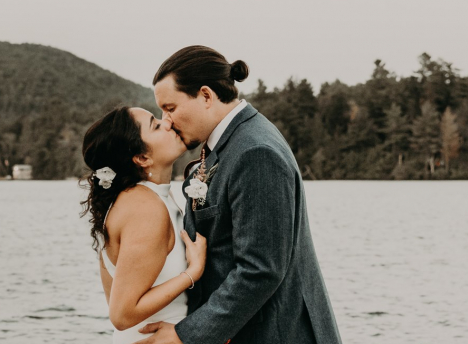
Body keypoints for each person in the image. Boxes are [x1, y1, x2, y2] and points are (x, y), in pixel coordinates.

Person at [137, 46, 342, 344]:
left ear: (206, 96)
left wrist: (186, 336)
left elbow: (260, 270)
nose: (166, 120)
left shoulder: (255, 152)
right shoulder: (230, 143)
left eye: (170, 108)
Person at [81, 106, 208, 344]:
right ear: (142, 158)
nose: (168, 122)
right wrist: (192, 272)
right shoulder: (144, 207)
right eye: (156, 125)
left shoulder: (149, 197)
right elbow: (121, 314)